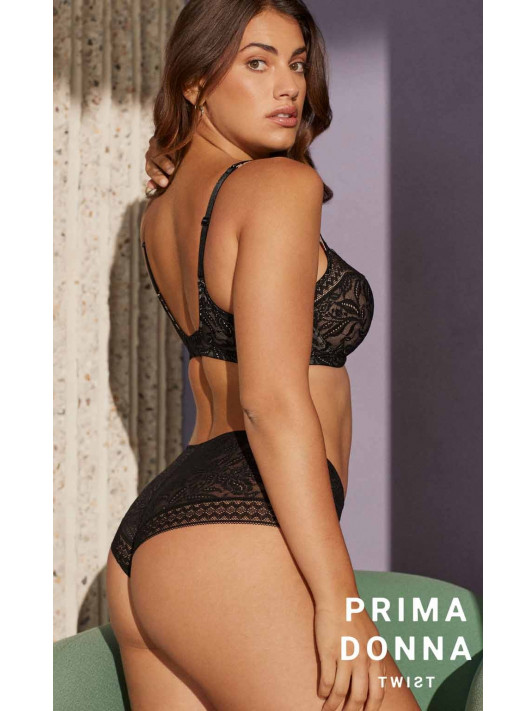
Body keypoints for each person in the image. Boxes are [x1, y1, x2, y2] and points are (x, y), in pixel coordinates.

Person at [107, 1, 421, 709]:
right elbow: (271, 402)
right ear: (196, 81)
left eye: (298, 64)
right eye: (257, 62)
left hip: (155, 547)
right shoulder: (278, 187)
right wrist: (341, 600)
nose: (289, 86)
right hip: (236, 536)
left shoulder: (161, 210)